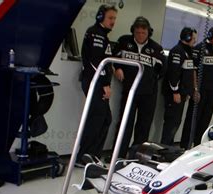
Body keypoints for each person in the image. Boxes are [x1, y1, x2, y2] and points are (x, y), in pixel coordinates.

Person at [113, 16, 165, 158]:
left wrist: (151, 79)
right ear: (133, 32)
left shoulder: (156, 49)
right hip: (129, 91)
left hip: (148, 94)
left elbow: (162, 70)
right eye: (137, 33)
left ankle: (136, 156)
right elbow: (113, 58)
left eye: (143, 33)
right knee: (125, 123)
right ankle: (118, 154)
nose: (140, 35)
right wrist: (117, 68)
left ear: (149, 32)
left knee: (143, 126)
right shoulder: (123, 42)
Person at [77, 4, 117, 166]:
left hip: (97, 82)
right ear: (100, 17)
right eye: (110, 18)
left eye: (114, 18)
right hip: (95, 83)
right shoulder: (96, 34)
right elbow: (95, 63)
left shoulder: (102, 35)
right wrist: (105, 84)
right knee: (97, 118)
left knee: (105, 118)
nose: (113, 21)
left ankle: (92, 155)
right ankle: (83, 157)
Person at [180, 26, 213, 149]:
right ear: (210, 36)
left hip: (211, 91)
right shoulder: (199, 49)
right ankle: (184, 146)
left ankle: (197, 145)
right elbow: (193, 70)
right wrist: (195, 89)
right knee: (193, 119)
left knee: (205, 119)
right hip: (200, 90)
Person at [161, 27, 199, 146]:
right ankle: (164, 148)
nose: (194, 41)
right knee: (171, 122)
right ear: (187, 38)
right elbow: (174, 73)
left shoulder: (188, 52)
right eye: (193, 38)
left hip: (182, 94)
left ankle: (169, 148)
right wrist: (175, 92)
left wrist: (191, 90)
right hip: (174, 94)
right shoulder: (177, 51)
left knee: (176, 122)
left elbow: (190, 71)